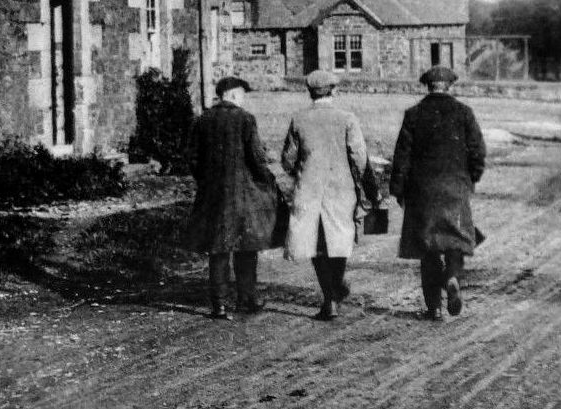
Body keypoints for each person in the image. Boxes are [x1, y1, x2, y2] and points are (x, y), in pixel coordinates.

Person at [280, 70, 378, 321]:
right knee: (340, 240)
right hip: (341, 190)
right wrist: (366, 186)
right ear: (333, 91)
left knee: (316, 244)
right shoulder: (347, 118)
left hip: (309, 190)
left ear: (310, 92)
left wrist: (301, 169)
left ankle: (329, 300)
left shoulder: (299, 119)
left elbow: (288, 161)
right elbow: (360, 157)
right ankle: (336, 286)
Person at [390, 65, 486, 321]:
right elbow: (478, 152)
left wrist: (398, 190)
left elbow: (402, 156)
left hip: (423, 191)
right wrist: (470, 179)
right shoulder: (464, 113)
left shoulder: (413, 115)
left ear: (427, 86)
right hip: (455, 187)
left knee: (429, 247)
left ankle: (434, 308)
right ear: (450, 86)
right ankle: (452, 277)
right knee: (455, 240)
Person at [183, 76, 281, 320]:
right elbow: (256, 158)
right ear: (234, 94)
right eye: (242, 93)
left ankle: (219, 304)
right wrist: (268, 180)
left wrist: (205, 181)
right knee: (246, 245)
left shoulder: (201, 119)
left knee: (218, 249)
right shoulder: (245, 119)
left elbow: (193, 158)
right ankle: (246, 298)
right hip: (242, 194)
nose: (243, 98)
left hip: (212, 195)